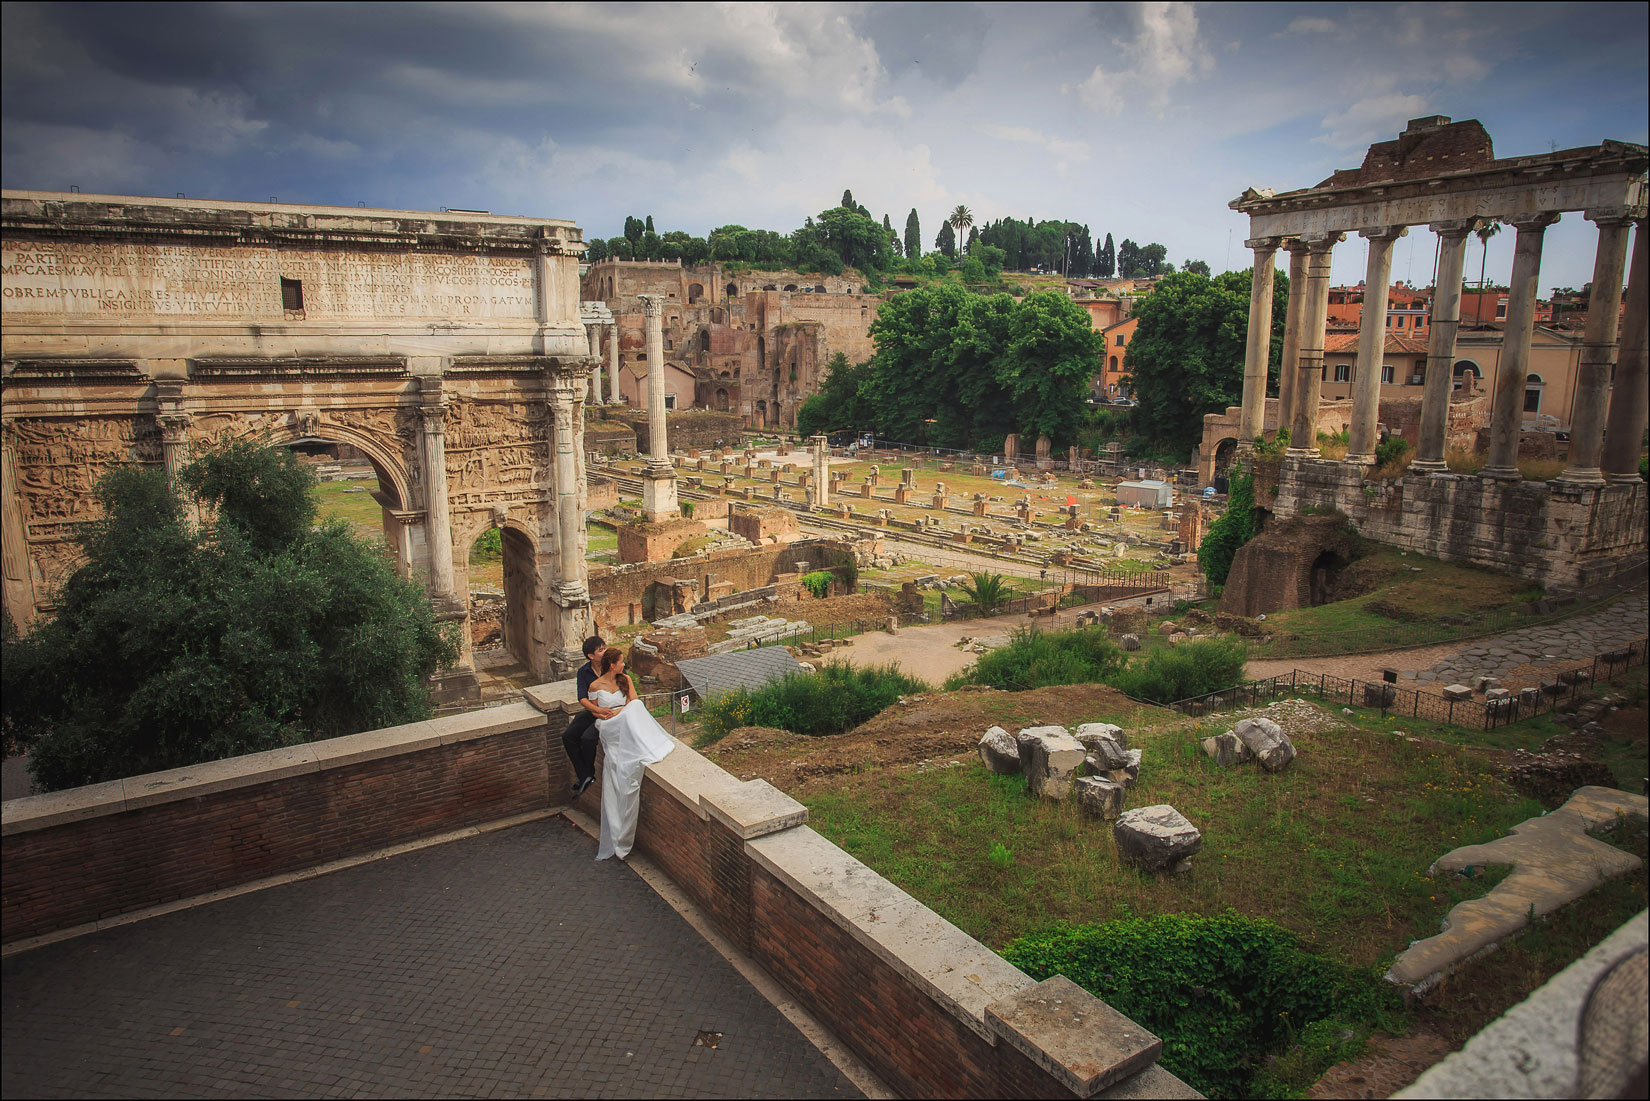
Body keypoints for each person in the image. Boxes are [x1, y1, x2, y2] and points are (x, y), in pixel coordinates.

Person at [586, 647, 675, 860]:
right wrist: (603, 713)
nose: (624, 664)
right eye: (621, 661)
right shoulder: (595, 685)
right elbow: (593, 710)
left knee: (634, 708)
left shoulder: (625, 679)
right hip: (607, 725)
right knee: (631, 712)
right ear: (611, 665)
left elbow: (633, 701)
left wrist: (617, 711)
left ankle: (643, 742)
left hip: (622, 717)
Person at [560, 635, 610, 797]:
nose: (605, 652)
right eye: (601, 650)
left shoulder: (613, 667)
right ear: (591, 656)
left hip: (610, 713)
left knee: (588, 738)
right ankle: (584, 775)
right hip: (593, 710)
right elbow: (582, 697)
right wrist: (596, 711)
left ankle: (588, 774)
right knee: (568, 736)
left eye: (604, 648)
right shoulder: (584, 672)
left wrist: (602, 712)